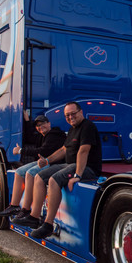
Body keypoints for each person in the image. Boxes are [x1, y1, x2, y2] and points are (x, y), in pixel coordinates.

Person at [14, 101, 102, 239]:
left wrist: (78, 175)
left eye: (73, 114)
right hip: (70, 164)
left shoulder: (87, 126)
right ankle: (34, 217)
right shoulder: (73, 129)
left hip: (87, 167)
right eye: (67, 115)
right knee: (39, 176)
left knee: (54, 180)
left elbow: (83, 151)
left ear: (81, 112)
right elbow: (63, 149)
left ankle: (48, 225)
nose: (70, 117)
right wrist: (48, 160)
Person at [0, 114, 66, 218]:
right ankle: (14, 206)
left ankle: (26, 209)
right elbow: (30, 137)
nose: (40, 127)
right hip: (43, 162)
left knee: (30, 173)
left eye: (42, 124)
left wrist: (20, 151)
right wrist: (27, 120)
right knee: (19, 172)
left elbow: (44, 151)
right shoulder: (42, 136)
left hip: (54, 163)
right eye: (37, 126)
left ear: (49, 123)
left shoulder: (55, 134)